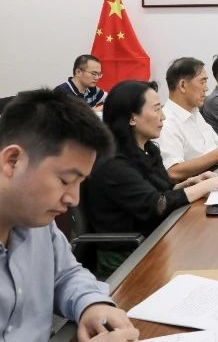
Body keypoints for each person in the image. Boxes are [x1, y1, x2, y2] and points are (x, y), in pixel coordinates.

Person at [0, 89, 139, 342]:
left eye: (79, 183)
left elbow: (65, 274)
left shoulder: (37, 221)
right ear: (12, 161)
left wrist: (92, 305)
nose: (73, 199)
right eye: (65, 180)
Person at [85, 81, 218, 278]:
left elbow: (161, 191)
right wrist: (209, 184)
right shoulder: (113, 164)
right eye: (156, 109)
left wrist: (191, 182)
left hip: (157, 236)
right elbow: (158, 204)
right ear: (132, 118)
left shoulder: (147, 149)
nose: (163, 116)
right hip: (129, 254)